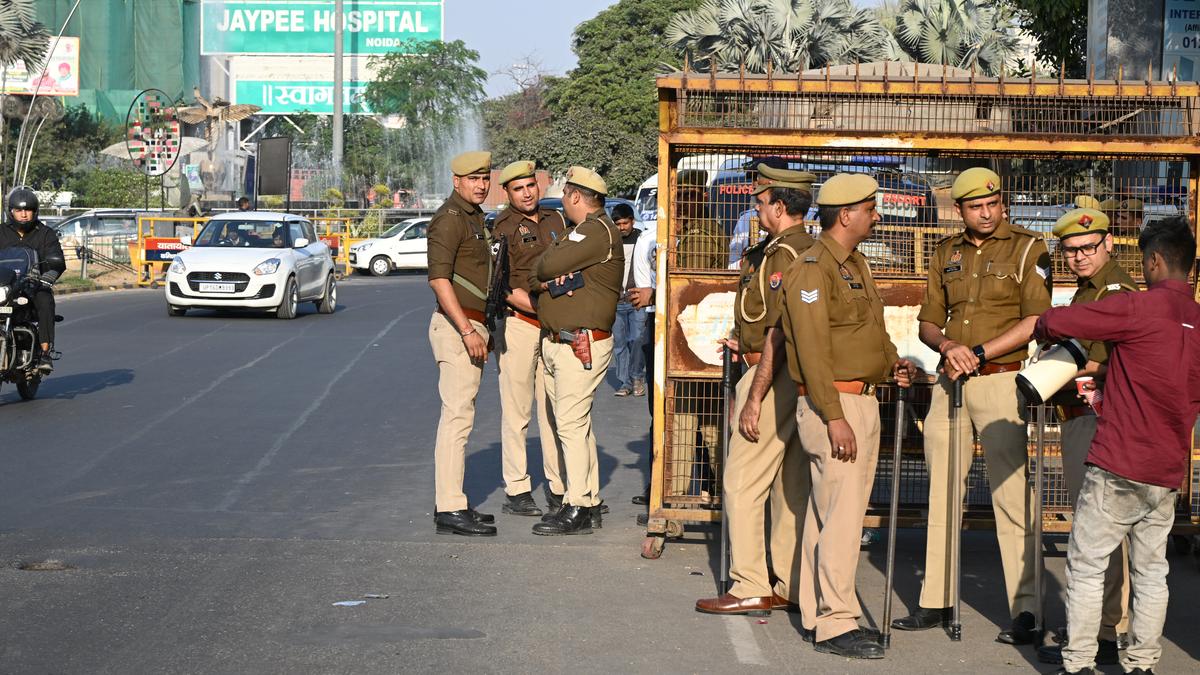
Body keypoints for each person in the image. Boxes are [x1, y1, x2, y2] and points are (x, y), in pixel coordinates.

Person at [1033, 217, 1200, 675]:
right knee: (1152, 572)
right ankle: (1142, 663)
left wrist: (1043, 323)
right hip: (1167, 469)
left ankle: (1080, 663)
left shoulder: (1137, 308)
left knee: (1087, 565)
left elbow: (1064, 320)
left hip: (1119, 463)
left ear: (1155, 261)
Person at [893, 167, 1051, 645]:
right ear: (958, 210)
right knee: (941, 488)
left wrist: (979, 352)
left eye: (993, 203)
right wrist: (947, 347)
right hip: (950, 380)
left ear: (1002, 202)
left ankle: (1027, 610)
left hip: (1001, 381)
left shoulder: (1028, 247)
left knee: (1011, 493)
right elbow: (927, 322)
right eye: (975, 206)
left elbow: (1036, 320)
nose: (986, 212)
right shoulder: (946, 252)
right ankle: (936, 600)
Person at [986, 208, 1138, 665]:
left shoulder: (1115, 291)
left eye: (1088, 247)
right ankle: (1102, 630)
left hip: (1097, 415)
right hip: (1081, 416)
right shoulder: (1089, 293)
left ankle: (1106, 634)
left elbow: (1113, 361)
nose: (1079, 257)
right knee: (1095, 529)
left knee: (1101, 531)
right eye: (1070, 250)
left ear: (1109, 243)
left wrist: (1055, 368)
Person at [781, 173, 916, 658]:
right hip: (834, 404)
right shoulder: (813, 269)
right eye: (872, 208)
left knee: (831, 514)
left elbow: (868, 332)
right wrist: (834, 415)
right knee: (841, 519)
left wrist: (891, 363)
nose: (877, 215)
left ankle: (820, 613)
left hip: (860, 400)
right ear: (846, 214)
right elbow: (814, 352)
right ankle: (837, 623)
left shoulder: (853, 263)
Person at [694, 165, 815, 618]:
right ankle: (786, 582)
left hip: (773, 373)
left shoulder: (786, 254)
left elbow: (778, 329)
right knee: (788, 484)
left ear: (779, 207)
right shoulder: (785, 248)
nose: (757, 208)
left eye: (762, 202)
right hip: (777, 369)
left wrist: (754, 395)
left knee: (740, 480)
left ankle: (748, 583)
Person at [530, 167, 623, 535]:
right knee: (575, 426)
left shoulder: (594, 231)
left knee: (570, 424)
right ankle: (589, 499)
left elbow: (545, 265)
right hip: (561, 341)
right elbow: (538, 275)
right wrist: (547, 271)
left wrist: (550, 268)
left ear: (574, 197)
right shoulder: (580, 232)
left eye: (565, 196)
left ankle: (578, 505)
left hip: (580, 343)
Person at [426, 151, 498, 537]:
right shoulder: (449, 220)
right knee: (456, 419)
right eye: (473, 179)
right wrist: (467, 331)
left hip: (473, 325)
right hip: (458, 328)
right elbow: (440, 280)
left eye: (485, 178)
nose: (481, 185)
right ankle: (450, 508)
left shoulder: (474, 217)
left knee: (462, 417)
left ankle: (455, 500)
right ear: (457, 181)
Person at [491, 160, 567, 517]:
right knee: (517, 412)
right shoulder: (502, 227)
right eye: (518, 188)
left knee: (553, 411)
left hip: (553, 327)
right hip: (519, 324)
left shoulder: (556, 220)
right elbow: (498, 284)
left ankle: (558, 486)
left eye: (531, 186)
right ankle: (517, 489)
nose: (527, 193)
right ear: (507, 192)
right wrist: (533, 308)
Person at [0, 188, 65, 373]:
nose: (23, 214)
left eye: (27, 210)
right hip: (4, 287)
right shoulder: (1, 232)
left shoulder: (45, 234)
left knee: (45, 300)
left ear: (34, 211)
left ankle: (45, 353)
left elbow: (57, 263)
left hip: (33, 286)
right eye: (19, 210)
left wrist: (45, 280)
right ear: (10, 211)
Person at [610, 202, 647, 397]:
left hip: (636, 299)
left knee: (638, 340)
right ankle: (625, 383)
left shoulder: (642, 239)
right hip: (616, 301)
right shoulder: (610, 242)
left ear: (632, 221)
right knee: (619, 344)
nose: (622, 228)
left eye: (625, 223)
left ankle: (637, 377)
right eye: (618, 224)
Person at [674, 169, 727, 270]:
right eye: (677, 195)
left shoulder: (698, 235)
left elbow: (693, 282)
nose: (681, 202)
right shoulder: (693, 228)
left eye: (689, 195)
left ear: (704, 198)